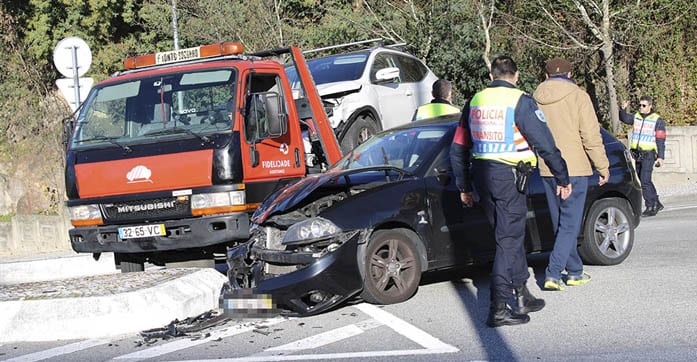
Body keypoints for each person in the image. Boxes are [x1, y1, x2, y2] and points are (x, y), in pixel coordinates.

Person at [451, 55, 572, 327]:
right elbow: (545, 144)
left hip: (482, 176)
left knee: (508, 235)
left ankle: (522, 294)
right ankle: (500, 306)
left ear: (492, 76)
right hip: (509, 177)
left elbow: (458, 147)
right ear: (515, 76)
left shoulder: (474, 101)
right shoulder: (521, 101)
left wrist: (464, 186)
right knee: (507, 240)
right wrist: (562, 177)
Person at [533, 57, 610, 291]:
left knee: (561, 223)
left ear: (546, 76)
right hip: (575, 168)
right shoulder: (579, 96)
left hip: (547, 168)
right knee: (569, 224)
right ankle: (553, 273)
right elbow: (590, 135)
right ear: (569, 75)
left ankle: (575, 271)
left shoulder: (534, 98)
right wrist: (602, 166)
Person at [620, 96, 666, 217]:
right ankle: (656, 201)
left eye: (644, 105)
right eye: (640, 105)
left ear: (650, 106)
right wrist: (623, 109)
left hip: (649, 154)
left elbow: (660, 139)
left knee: (645, 181)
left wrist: (661, 157)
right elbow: (625, 119)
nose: (641, 107)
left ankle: (651, 206)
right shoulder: (636, 116)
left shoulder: (657, 120)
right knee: (643, 178)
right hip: (637, 153)